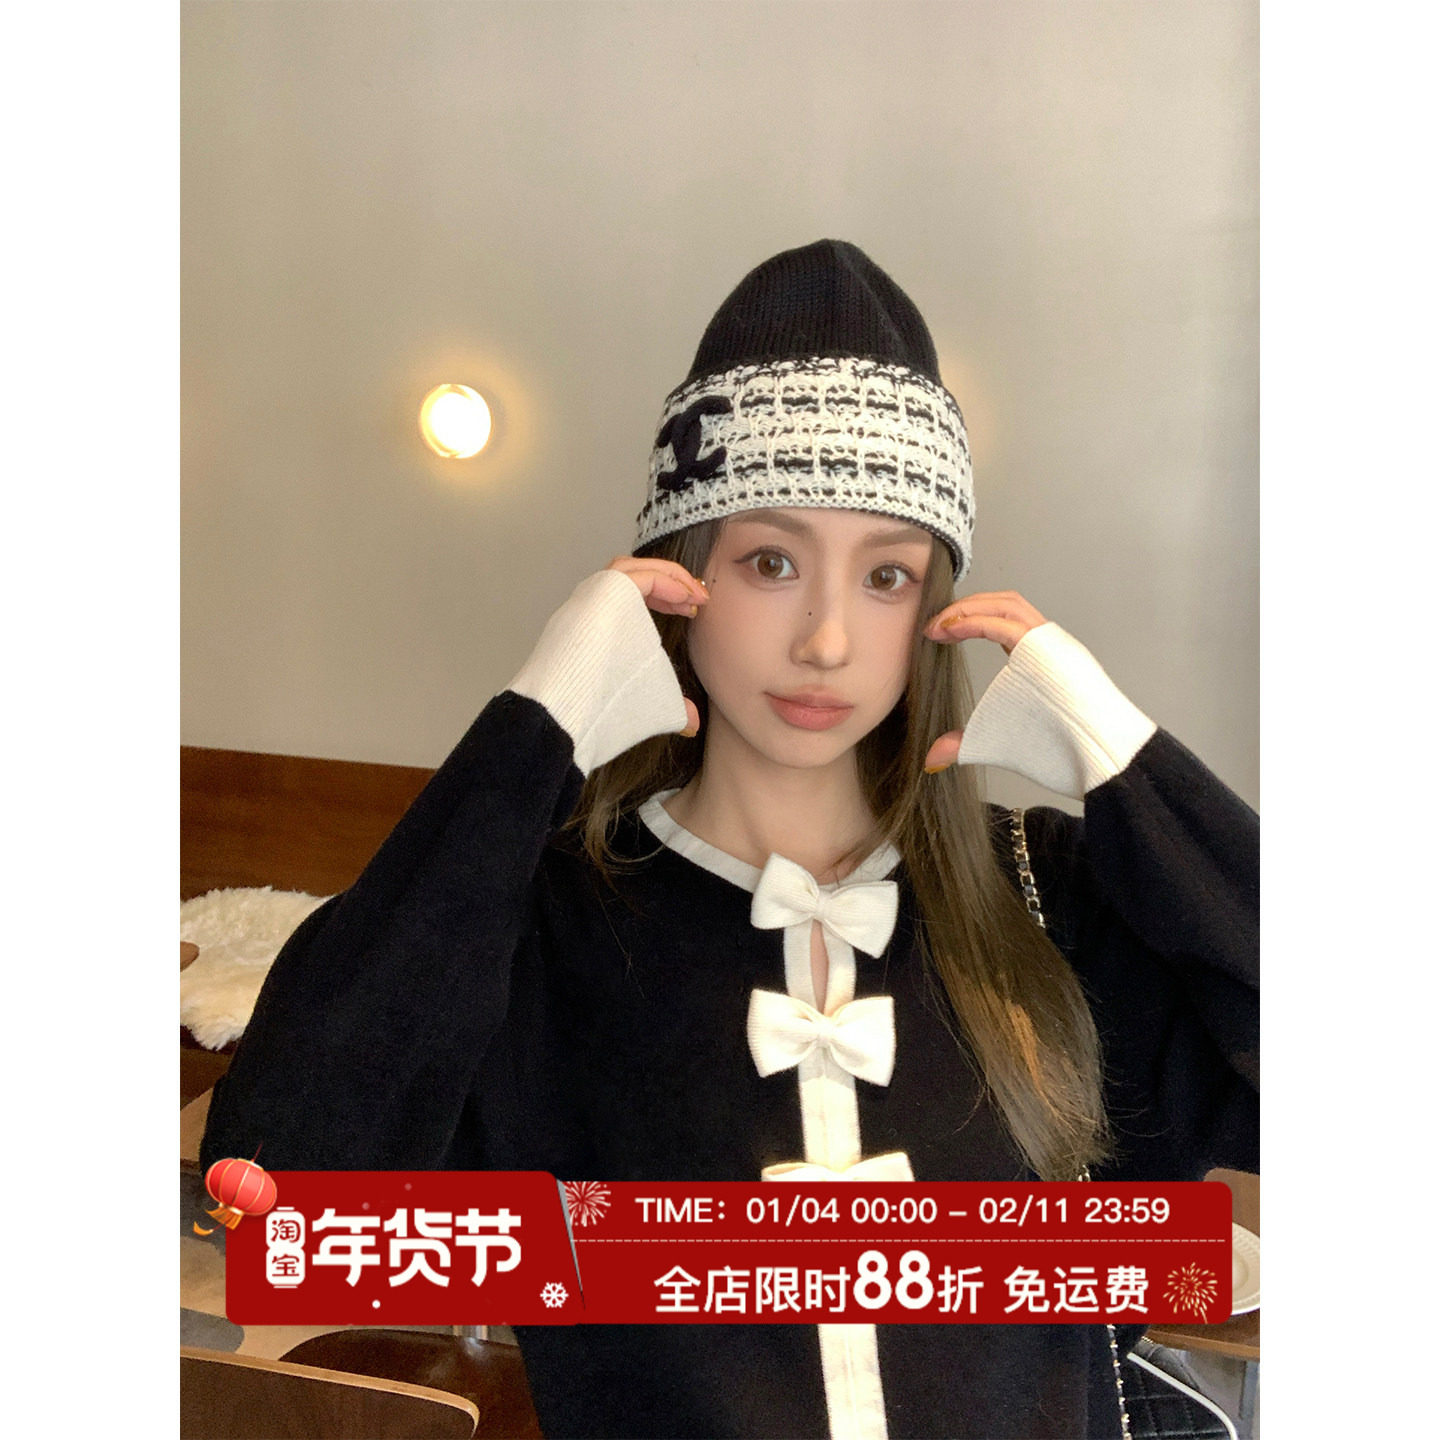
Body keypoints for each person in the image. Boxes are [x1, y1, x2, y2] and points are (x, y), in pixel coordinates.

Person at [201, 239, 1258, 1439]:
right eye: (770, 561)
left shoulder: (1050, 903)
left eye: (888, 576)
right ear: (679, 577)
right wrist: (533, 733)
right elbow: (281, 1206)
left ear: (934, 607)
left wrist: (1130, 766)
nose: (825, 639)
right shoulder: (545, 925)